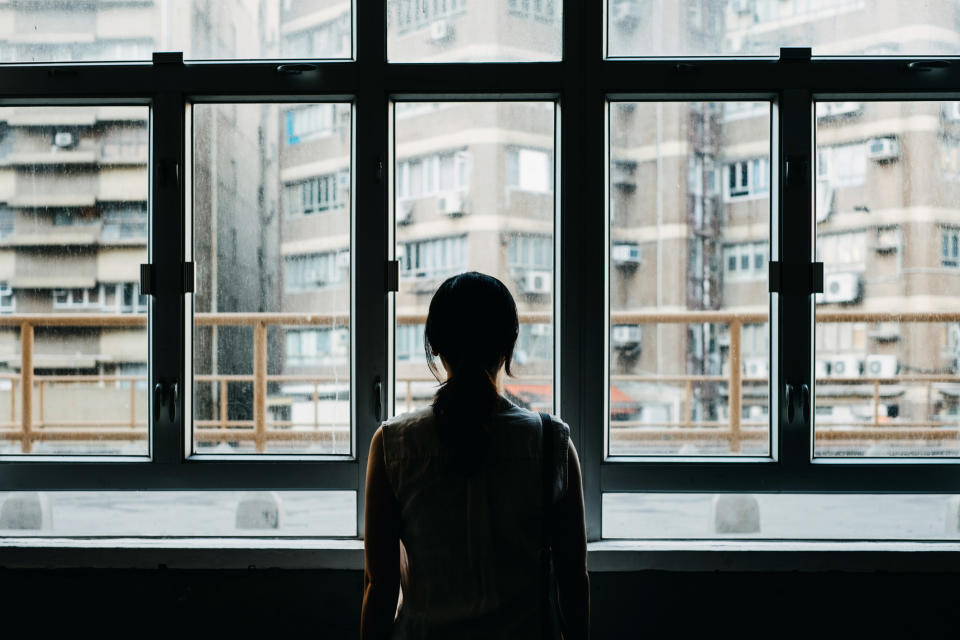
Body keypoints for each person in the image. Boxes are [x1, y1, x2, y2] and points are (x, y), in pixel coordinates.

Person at [362, 271, 589, 639]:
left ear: (434, 345)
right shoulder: (551, 443)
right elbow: (573, 584)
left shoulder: (393, 444)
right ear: (509, 344)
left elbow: (380, 586)